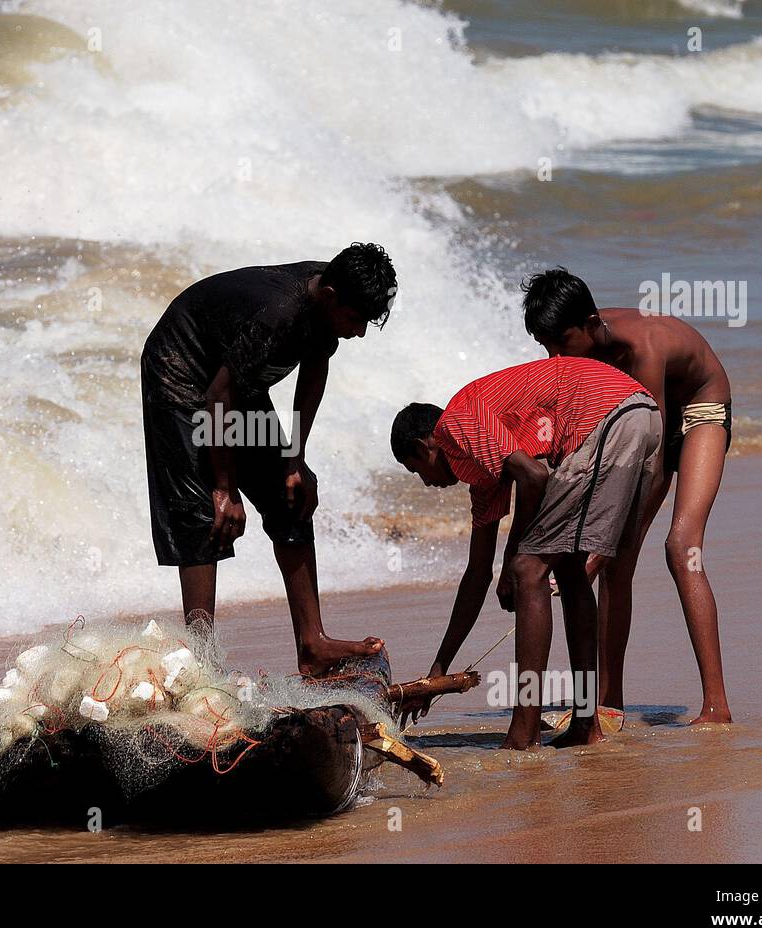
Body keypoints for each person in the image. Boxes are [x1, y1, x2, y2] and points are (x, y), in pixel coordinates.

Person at [141, 244, 396, 674]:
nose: (359, 333)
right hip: (180, 373)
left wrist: (294, 459)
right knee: (206, 513)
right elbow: (216, 400)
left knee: (289, 494)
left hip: (233, 377)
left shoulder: (328, 296)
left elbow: (314, 368)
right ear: (330, 296)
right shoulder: (279, 314)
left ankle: (312, 643)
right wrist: (224, 487)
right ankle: (200, 662)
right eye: (356, 320)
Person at [391, 356, 660, 749]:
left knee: (529, 569)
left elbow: (535, 477)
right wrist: (438, 670)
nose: (426, 483)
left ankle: (524, 731)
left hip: (608, 412)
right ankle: (586, 724)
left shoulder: (455, 424)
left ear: (424, 446)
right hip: (640, 415)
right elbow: (477, 574)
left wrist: (514, 562)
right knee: (567, 570)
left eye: (416, 471)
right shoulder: (484, 475)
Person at [522, 268, 733, 724]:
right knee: (616, 559)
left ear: (591, 323)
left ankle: (716, 705)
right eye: (546, 348)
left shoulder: (643, 348)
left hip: (699, 409)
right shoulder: (580, 348)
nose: (555, 356)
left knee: (681, 548)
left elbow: (651, 459)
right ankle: (608, 702)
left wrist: (610, 538)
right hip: (644, 421)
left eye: (561, 343)